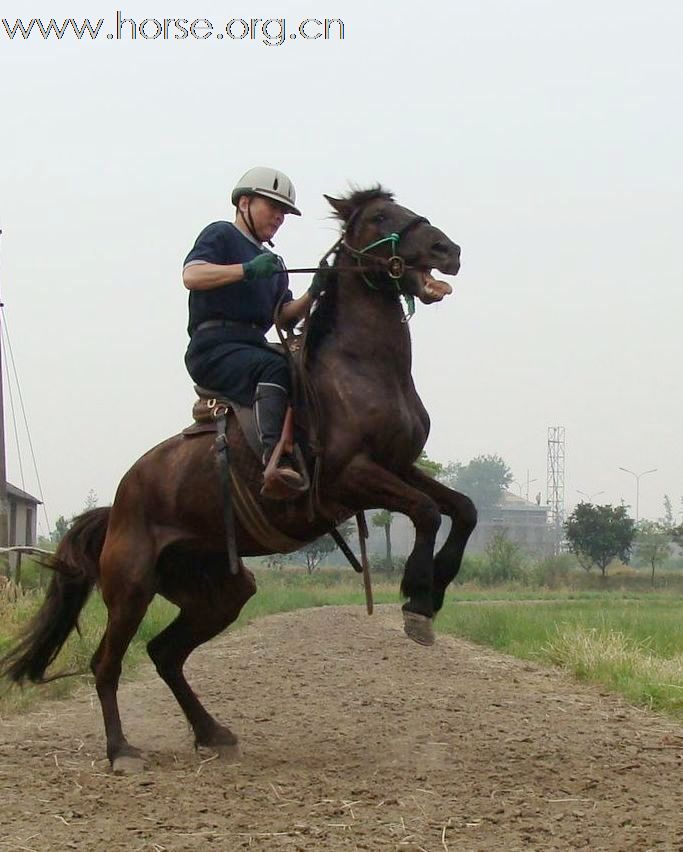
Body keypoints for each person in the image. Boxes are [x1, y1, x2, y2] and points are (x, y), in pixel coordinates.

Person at [183, 166, 314, 497]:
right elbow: (192, 276)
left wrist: (316, 292)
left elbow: (283, 317)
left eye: (283, 212)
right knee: (275, 366)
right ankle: (276, 458)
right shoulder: (221, 235)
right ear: (244, 203)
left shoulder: (274, 263)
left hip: (252, 347)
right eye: (272, 207)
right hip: (214, 348)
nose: (279, 217)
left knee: (305, 367)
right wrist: (245, 270)